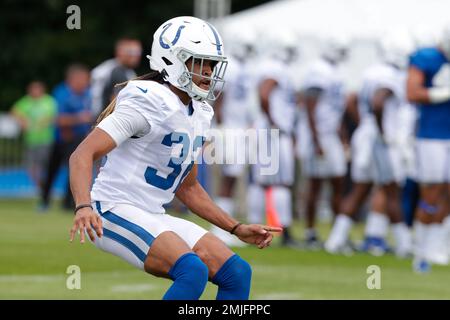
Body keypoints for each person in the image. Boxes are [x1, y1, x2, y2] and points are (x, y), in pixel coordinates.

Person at [68, 16, 281, 300]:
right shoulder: (149, 100)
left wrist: (235, 227)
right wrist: (83, 206)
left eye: (211, 64)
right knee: (192, 271)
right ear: (172, 60)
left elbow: (188, 186)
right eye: (199, 63)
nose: (208, 72)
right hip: (111, 210)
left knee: (237, 273)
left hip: (152, 213)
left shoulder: (200, 111)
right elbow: (82, 153)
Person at [325, 33, 414, 258]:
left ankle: (335, 240)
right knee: (392, 190)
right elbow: (378, 102)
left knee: (359, 190)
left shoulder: (372, 71)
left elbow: (353, 99)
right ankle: (404, 245)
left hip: (366, 134)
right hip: (378, 139)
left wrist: (366, 123)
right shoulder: (390, 75)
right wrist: (383, 132)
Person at [296, 35, 348, 249]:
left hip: (329, 134)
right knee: (316, 185)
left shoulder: (333, 71)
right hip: (318, 135)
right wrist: (316, 140)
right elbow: (310, 104)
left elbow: (333, 108)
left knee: (338, 182)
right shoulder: (319, 70)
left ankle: (337, 233)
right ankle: (310, 232)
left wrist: (341, 134)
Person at [249, 29, 300, 248]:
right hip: (272, 131)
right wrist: (272, 120)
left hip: (269, 130)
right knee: (279, 183)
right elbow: (264, 93)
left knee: (263, 182)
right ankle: (284, 230)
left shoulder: (273, 67)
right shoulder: (274, 68)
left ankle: (257, 228)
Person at [407, 23, 450, 270]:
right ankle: (421, 251)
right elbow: (412, 92)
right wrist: (443, 93)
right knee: (431, 193)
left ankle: (438, 246)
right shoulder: (427, 57)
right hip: (432, 135)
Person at [40, 64, 92, 211]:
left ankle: (69, 203)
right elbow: (59, 120)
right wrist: (80, 118)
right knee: (52, 170)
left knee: (75, 170)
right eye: (82, 79)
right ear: (72, 79)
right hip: (61, 139)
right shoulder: (62, 93)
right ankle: (44, 201)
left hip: (80, 139)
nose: (85, 82)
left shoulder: (88, 94)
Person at [10, 81, 57, 194]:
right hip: (30, 140)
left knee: (45, 165)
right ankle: (41, 185)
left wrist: (46, 121)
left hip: (46, 139)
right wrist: (22, 121)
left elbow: (54, 116)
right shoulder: (26, 102)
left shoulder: (49, 101)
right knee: (31, 166)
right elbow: (14, 111)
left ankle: (46, 186)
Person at [90, 38, 142, 116]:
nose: (136, 56)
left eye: (138, 52)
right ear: (120, 52)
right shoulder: (115, 71)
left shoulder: (128, 72)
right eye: (131, 52)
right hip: (104, 117)